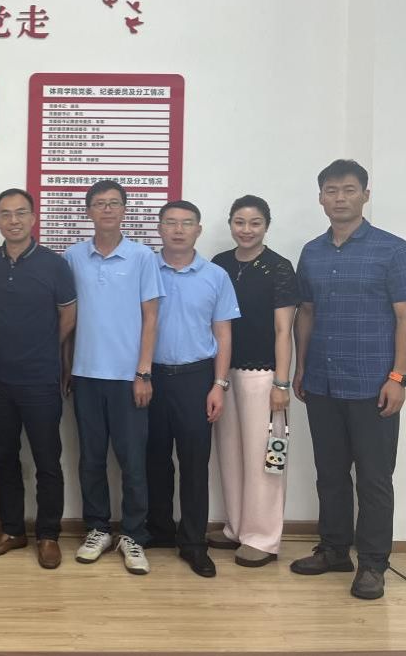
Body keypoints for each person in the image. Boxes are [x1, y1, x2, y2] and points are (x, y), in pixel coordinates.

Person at [290, 159, 406, 600]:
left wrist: (398, 377)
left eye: (348, 190)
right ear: (320, 198)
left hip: (373, 385)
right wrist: (301, 368)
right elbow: (307, 313)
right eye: (331, 190)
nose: (339, 198)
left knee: (374, 478)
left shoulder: (393, 250)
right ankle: (333, 550)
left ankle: (372, 564)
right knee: (329, 473)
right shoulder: (312, 252)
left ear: (365, 195)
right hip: (323, 381)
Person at [63, 180, 162, 575]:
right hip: (85, 375)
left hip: (128, 378)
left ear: (124, 210)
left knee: (132, 461)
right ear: (89, 211)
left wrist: (143, 372)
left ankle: (134, 535)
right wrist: (66, 368)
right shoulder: (73, 257)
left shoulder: (142, 257)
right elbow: (67, 318)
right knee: (90, 459)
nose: (107, 209)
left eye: (114, 203)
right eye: (100, 203)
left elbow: (151, 317)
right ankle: (98, 529)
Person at [0, 188, 76, 570]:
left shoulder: (55, 264)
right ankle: (12, 530)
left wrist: (47, 348)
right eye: (6, 214)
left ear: (33, 218)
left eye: (21, 213)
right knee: (4, 457)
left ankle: (48, 535)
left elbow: (68, 315)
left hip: (40, 379)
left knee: (47, 460)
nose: (14, 220)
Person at [146, 200, 240, 578]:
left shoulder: (216, 276)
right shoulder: (144, 269)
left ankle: (194, 543)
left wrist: (219, 384)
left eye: (187, 223)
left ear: (198, 230)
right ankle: (158, 531)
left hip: (196, 379)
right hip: (150, 376)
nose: (178, 230)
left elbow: (224, 334)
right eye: (171, 223)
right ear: (159, 228)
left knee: (194, 463)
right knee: (153, 459)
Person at [208, 195, 299, 567]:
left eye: (255, 223)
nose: (246, 230)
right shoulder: (220, 264)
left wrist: (282, 383)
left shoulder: (279, 268)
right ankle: (237, 527)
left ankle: (263, 538)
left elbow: (284, 330)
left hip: (264, 377)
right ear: (231, 223)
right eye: (240, 222)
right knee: (230, 455)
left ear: (266, 226)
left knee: (265, 458)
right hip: (224, 374)